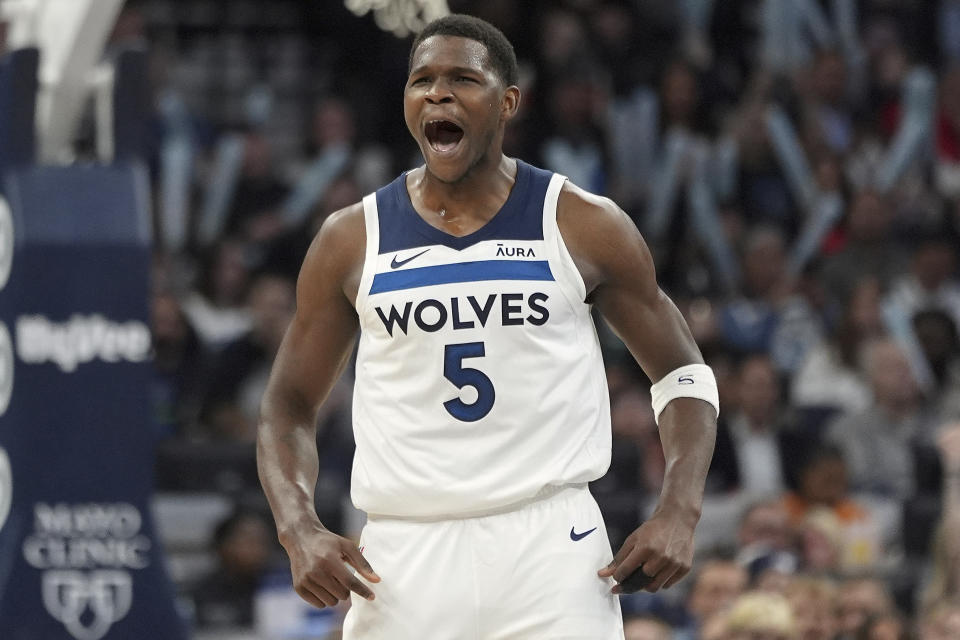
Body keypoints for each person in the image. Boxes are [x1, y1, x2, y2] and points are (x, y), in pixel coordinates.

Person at [256, 14, 719, 639]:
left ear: (508, 103)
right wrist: (298, 526)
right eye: (422, 80)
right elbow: (286, 404)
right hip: (404, 556)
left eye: (462, 79)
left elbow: (683, 373)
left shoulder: (582, 223)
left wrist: (680, 510)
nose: (438, 94)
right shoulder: (351, 238)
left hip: (551, 546)